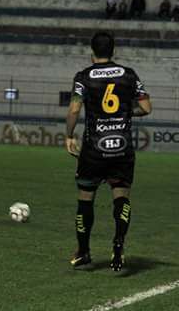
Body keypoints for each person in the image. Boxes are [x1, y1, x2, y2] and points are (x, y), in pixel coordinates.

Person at [66, 32, 152, 272]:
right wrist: (124, 113)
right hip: (122, 149)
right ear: (113, 51)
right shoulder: (129, 74)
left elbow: (74, 108)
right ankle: (119, 243)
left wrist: (69, 135)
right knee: (121, 197)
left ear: (91, 52)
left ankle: (83, 252)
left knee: (85, 200)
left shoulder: (83, 77)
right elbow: (146, 107)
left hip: (93, 149)